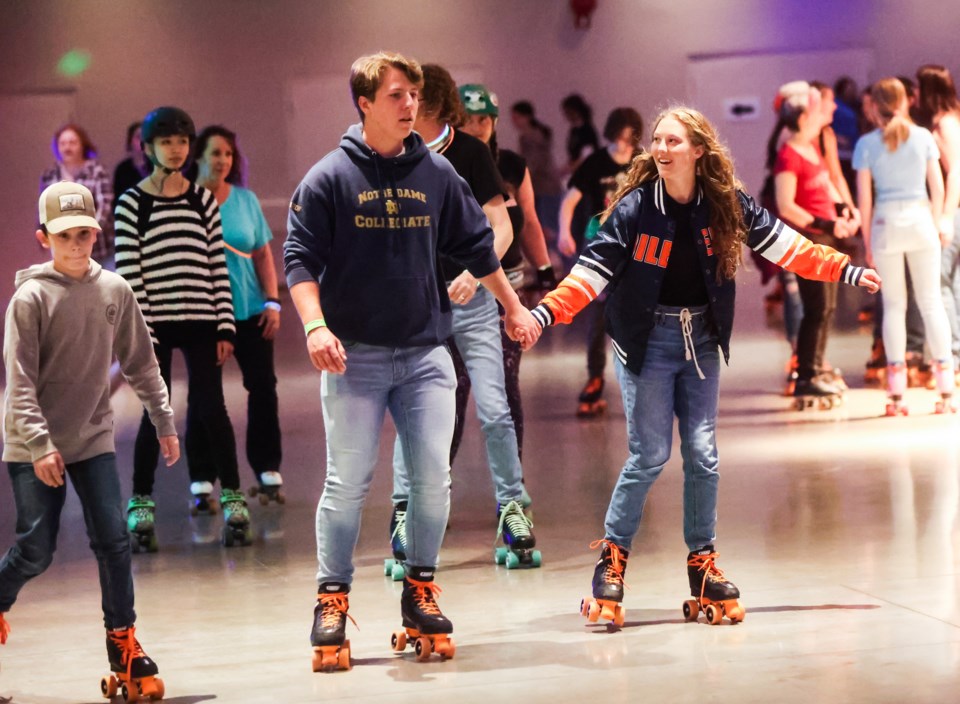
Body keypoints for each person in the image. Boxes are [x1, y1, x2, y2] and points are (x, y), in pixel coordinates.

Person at [528, 106, 881, 627]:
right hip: (646, 341)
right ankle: (612, 558)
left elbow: (784, 244)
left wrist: (844, 269)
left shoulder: (724, 203)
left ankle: (702, 563)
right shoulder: (632, 210)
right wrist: (545, 312)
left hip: (701, 339)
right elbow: (591, 272)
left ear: (698, 150)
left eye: (673, 140)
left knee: (703, 454)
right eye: (657, 140)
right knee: (648, 455)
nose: (662, 148)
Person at [284, 51, 540, 668]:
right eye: (397, 95)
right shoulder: (328, 178)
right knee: (347, 486)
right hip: (357, 361)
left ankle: (420, 589)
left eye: (415, 96)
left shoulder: (437, 174)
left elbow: (478, 246)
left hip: (426, 355)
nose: (410, 107)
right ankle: (333, 598)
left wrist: (511, 306)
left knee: (432, 482)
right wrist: (315, 326)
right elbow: (298, 260)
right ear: (365, 103)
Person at [0, 182, 179, 697]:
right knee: (36, 549)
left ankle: (123, 641)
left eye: (84, 234)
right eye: (65, 237)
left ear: (96, 234)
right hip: (31, 442)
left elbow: (143, 362)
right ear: (43, 238)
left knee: (114, 540)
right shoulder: (29, 299)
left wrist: (163, 421)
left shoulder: (114, 290)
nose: (77, 245)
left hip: (92, 435)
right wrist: (39, 445)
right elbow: (20, 382)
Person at [386, 65, 538, 577]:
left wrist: (476, 273)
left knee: (495, 408)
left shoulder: (471, 153)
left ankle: (513, 507)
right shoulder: (394, 153)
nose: (402, 105)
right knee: (417, 415)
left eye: (410, 97)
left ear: (428, 103)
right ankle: (405, 510)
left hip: (473, 305)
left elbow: (500, 227)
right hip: (416, 307)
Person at [114, 106, 250, 549]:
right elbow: (131, 277)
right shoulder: (132, 203)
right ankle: (140, 500)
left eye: (182, 142)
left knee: (212, 407)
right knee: (158, 410)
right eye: (166, 142)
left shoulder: (201, 200)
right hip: (154, 324)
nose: (175, 150)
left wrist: (225, 327)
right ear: (147, 148)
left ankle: (232, 496)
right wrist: (144, 334)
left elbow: (217, 266)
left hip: (202, 320)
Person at [459, 82, 557, 461]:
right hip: (460, 288)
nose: (476, 127)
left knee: (505, 383)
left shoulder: (512, 165)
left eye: (483, 119)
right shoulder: (443, 165)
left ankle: (512, 486)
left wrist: (546, 270)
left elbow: (529, 222)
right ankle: (436, 487)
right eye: (466, 120)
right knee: (456, 387)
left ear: (495, 121)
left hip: (509, 286)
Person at [192, 125, 285, 504]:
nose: (223, 161)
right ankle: (202, 477)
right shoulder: (186, 202)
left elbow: (262, 253)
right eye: (215, 153)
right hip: (205, 315)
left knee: (263, 387)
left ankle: (267, 468)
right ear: (198, 157)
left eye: (228, 154)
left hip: (249, 311)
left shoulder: (245, 200)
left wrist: (273, 301)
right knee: (205, 395)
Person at [855, 78, 956, 414]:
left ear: (874, 106)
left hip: (886, 224)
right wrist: (941, 220)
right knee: (931, 302)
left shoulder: (867, 144)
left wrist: (868, 243)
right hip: (920, 221)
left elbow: (864, 201)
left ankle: (896, 395)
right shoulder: (924, 137)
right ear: (906, 101)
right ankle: (946, 389)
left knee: (894, 305)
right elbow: (937, 188)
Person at [774, 81, 859, 405]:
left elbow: (825, 188)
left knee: (828, 307)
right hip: (810, 240)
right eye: (812, 109)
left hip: (826, 237)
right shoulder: (789, 153)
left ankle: (815, 370)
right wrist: (824, 222)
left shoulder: (811, 146)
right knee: (816, 308)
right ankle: (807, 375)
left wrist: (844, 210)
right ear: (800, 115)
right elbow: (786, 206)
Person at [557, 107, 644, 416]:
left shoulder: (643, 161)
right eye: (619, 140)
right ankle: (595, 378)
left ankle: (643, 379)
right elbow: (570, 200)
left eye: (628, 141)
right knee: (598, 315)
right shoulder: (595, 162)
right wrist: (564, 232)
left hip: (636, 245)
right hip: (601, 242)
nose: (624, 147)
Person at [916, 64, 960, 384]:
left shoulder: (945, 123)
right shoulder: (951, 118)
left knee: (943, 283)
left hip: (953, 211)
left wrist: (945, 214)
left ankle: (954, 355)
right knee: (952, 284)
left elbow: (957, 169)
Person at [40, 123, 115, 268]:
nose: (67, 147)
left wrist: (86, 235)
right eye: (62, 143)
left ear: (82, 145)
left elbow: (104, 206)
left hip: (99, 248)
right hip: (65, 250)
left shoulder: (96, 170)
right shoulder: (50, 175)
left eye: (72, 142)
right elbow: (45, 211)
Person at [510, 100, 564, 256]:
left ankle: (556, 266)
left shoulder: (531, 136)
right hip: (543, 187)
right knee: (545, 229)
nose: (514, 121)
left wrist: (518, 184)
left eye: (516, 117)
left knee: (548, 230)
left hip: (545, 187)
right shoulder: (533, 135)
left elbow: (531, 164)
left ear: (526, 117)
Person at [560, 93, 600, 178]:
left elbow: (587, 154)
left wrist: (570, 168)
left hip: (588, 173)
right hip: (578, 172)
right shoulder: (574, 130)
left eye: (568, 112)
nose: (566, 115)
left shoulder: (587, 130)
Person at [113, 122, 151, 206]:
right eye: (138, 137)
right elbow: (118, 201)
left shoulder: (159, 166)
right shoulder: (122, 169)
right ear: (130, 141)